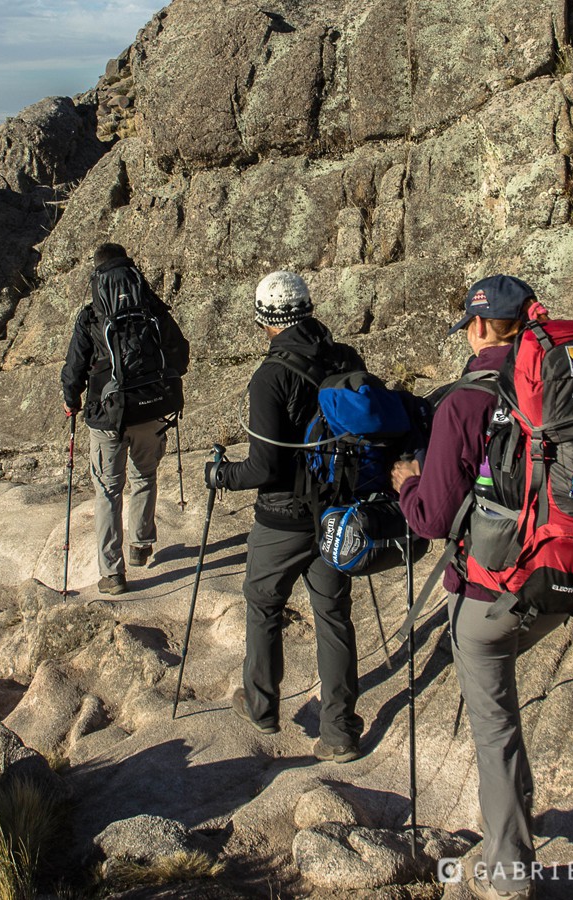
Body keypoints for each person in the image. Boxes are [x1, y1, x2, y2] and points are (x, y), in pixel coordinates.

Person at [391, 275, 566, 900]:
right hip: (560, 572)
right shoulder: (560, 383)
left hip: (490, 588)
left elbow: (432, 518)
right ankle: (510, 830)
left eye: (469, 323)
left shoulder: (463, 401)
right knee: (502, 714)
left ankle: (509, 872)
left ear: (482, 325)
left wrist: (406, 480)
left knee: (495, 729)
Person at [205, 270, 366, 756]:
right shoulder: (343, 357)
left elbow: (264, 466)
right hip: (336, 510)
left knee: (263, 603)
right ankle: (339, 732)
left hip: (283, 518)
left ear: (265, 320)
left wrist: (220, 476)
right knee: (333, 616)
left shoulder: (270, 377)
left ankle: (262, 705)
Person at [61, 243, 189, 596]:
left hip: (108, 417)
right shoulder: (152, 309)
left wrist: (71, 401)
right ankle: (140, 545)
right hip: (151, 408)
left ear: (97, 275)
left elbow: (73, 368)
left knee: (107, 490)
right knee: (144, 476)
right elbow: (181, 351)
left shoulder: (91, 316)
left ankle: (112, 574)